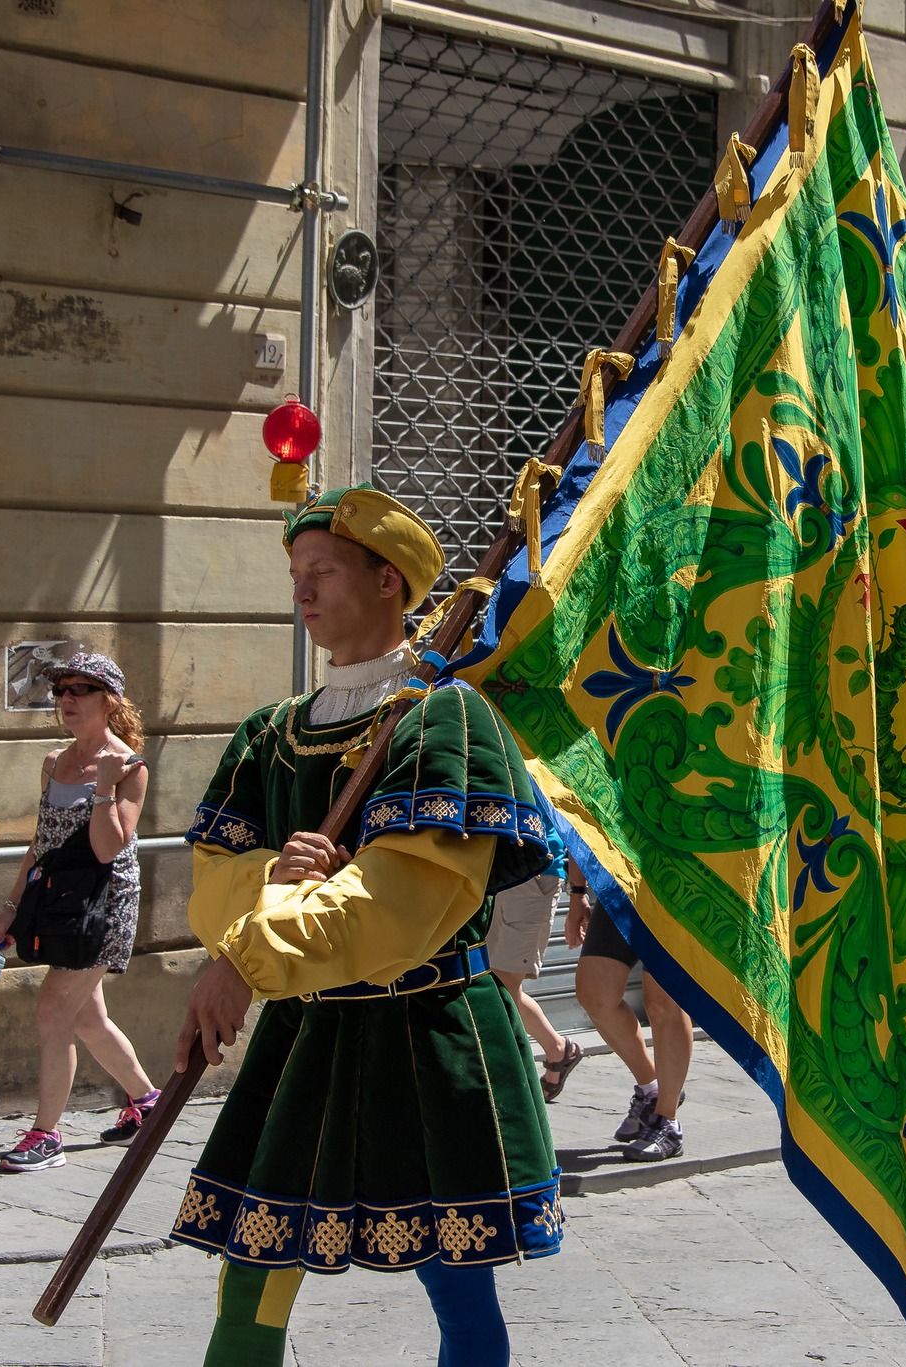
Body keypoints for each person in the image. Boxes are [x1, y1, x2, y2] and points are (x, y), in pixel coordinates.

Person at [168, 486, 562, 1367]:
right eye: (296, 573)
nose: (302, 591)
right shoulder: (270, 733)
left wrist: (250, 955)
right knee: (251, 1273)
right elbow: (210, 883)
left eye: (324, 571)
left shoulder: (446, 716)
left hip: (426, 1033)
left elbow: (404, 901)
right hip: (306, 1030)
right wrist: (272, 877)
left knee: (456, 1281)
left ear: (389, 581)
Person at [0, 652, 158, 1172]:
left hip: (103, 908)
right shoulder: (53, 761)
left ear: (110, 701)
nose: (67, 699)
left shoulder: (130, 767)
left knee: (53, 1011)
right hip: (58, 902)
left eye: (81, 690)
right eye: (62, 691)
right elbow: (40, 844)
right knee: (87, 1017)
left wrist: (104, 787)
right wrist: (11, 908)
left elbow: (107, 849)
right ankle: (148, 1102)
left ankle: (46, 1136)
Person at [566, 863, 692, 1161]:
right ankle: (653, 1089)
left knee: (663, 998)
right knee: (595, 993)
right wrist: (577, 892)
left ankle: (668, 1122)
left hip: (680, 874)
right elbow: (581, 831)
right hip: (621, 876)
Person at [487, 798, 584, 1101]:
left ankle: (521, 1067)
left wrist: (578, 895)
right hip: (496, 870)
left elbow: (574, 818)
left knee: (503, 985)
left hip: (535, 871)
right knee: (492, 981)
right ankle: (559, 1050)